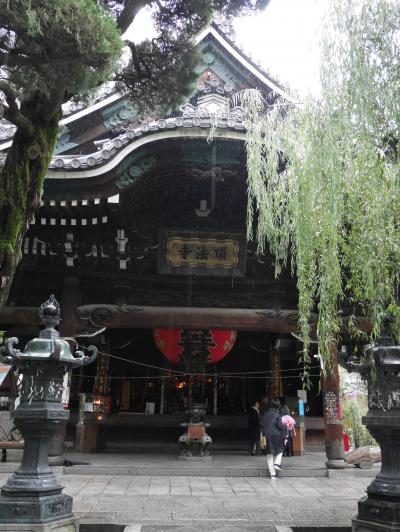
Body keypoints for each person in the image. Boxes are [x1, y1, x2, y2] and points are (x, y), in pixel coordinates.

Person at [261, 398, 285, 479]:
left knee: (269, 454)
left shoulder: (265, 414)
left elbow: (261, 424)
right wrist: (284, 424)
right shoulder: (278, 415)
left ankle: (272, 474)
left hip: (267, 435)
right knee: (280, 450)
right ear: (278, 407)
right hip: (276, 435)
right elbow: (280, 427)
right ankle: (277, 463)